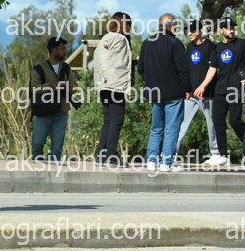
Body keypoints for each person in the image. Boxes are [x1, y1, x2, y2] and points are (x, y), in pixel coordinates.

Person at [138, 13, 190, 172]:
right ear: (171, 26)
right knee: (172, 129)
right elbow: (182, 69)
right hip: (173, 93)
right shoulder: (175, 43)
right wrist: (187, 88)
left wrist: (151, 82)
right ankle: (166, 163)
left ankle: (151, 161)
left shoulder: (147, 43)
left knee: (156, 128)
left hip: (154, 93)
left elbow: (141, 68)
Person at [194, 17, 245, 166]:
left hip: (236, 89)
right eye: (228, 28)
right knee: (218, 121)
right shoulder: (217, 47)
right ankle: (223, 155)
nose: (231, 30)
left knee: (235, 121)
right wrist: (202, 86)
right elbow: (212, 68)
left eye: (233, 27)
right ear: (221, 30)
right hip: (220, 89)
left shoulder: (242, 44)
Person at [176, 20, 219, 164]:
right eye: (187, 31)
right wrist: (186, 89)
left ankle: (216, 153)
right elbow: (187, 70)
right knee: (181, 121)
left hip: (208, 93)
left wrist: (203, 86)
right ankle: (172, 151)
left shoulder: (211, 46)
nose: (189, 33)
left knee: (212, 122)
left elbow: (213, 68)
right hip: (191, 94)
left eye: (192, 30)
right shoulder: (189, 47)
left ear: (200, 30)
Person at [93, 12, 132, 166]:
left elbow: (107, 61)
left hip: (103, 85)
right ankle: (110, 156)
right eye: (129, 24)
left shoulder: (105, 39)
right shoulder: (121, 39)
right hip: (115, 85)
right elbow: (121, 63)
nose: (130, 28)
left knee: (108, 121)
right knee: (117, 120)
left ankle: (101, 155)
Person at [30, 37, 77, 161]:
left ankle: (53, 170)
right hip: (43, 111)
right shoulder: (39, 69)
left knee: (57, 149)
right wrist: (50, 86)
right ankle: (37, 167)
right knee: (37, 143)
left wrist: (70, 87)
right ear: (53, 50)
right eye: (62, 49)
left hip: (61, 112)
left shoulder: (66, 68)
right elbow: (34, 88)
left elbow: (75, 87)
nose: (65, 51)